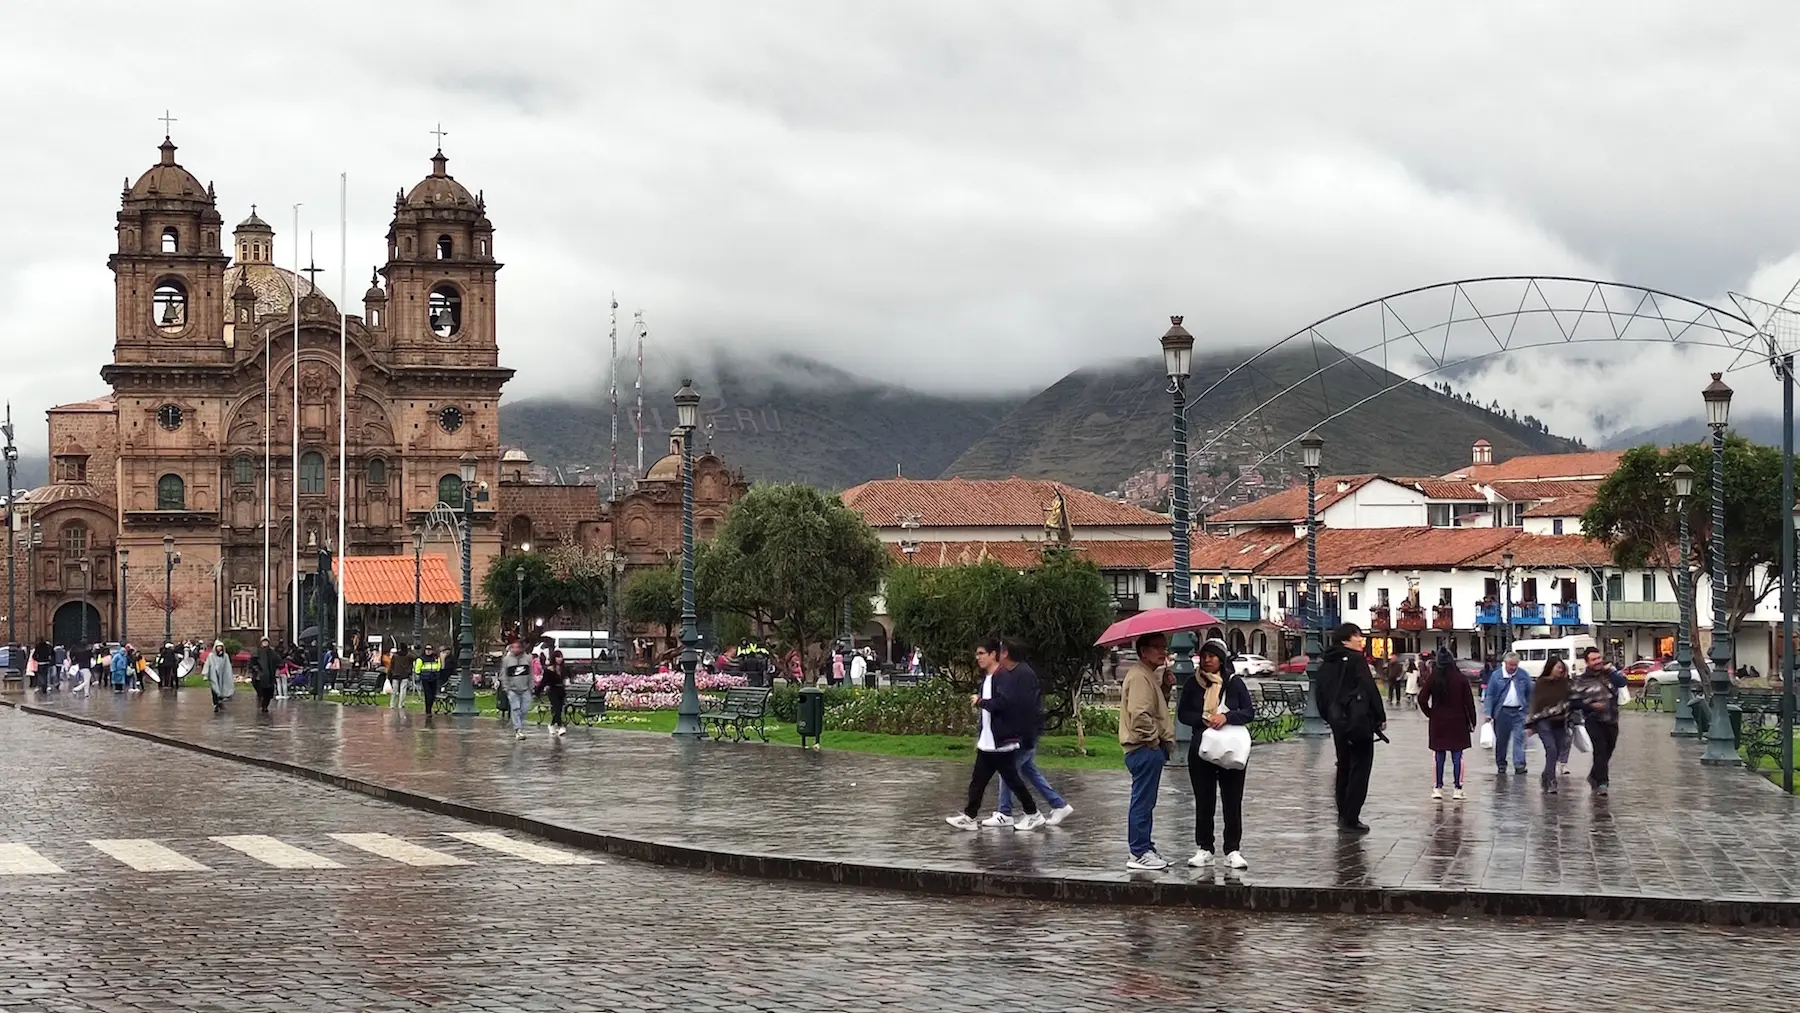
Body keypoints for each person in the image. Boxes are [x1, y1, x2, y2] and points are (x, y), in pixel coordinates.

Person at [944, 636, 1044, 832]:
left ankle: (1033, 814)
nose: (978, 658)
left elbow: (1007, 703)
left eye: (981, 653)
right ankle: (970, 817)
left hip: (1002, 742)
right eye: (977, 654)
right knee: (978, 781)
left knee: (1012, 781)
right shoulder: (989, 678)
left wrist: (981, 702)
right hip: (989, 742)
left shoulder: (1003, 677)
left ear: (992, 655)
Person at [1176, 638, 1253, 869]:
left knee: (1232, 800)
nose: (1208, 660)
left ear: (1222, 658)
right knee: (1204, 800)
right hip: (1202, 748)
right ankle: (1204, 847)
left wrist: (1226, 717)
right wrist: (1202, 718)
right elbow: (1183, 714)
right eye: (1204, 656)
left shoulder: (1234, 683)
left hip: (1230, 750)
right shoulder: (1193, 684)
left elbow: (1248, 712)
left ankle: (1232, 849)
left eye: (1213, 655)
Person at [985, 637, 1075, 828]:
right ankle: (1059, 805)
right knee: (1028, 770)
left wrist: (1021, 735)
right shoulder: (1013, 673)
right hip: (1021, 732)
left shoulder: (1023, 674)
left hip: (1024, 733)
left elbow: (1025, 707)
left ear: (1005, 653)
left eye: (997, 651)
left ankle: (1006, 812)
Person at [1317, 622, 1385, 834]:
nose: (1360, 640)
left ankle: (1342, 814)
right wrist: (1380, 716)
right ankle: (1351, 817)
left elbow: (1320, 695)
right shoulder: (1355, 660)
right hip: (1358, 723)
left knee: (1344, 767)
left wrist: (1330, 716)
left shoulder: (1326, 663)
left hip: (1338, 724)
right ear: (1346, 639)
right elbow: (1369, 688)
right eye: (1357, 636)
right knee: (1360, 769)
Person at [1119, 632, 1176, 870]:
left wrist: (1164, 688)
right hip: (1143, 749)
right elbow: (1140, 715)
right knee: (1142, 801)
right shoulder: (1140, 676)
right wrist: (1154, 741)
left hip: (1146, 748)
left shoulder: (1148, 676)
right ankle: (1139, 851)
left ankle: (1145, 846)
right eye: (1157, 647)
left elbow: (1152, 707)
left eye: (1164, 647)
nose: (1163, 652)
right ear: (1143, 651)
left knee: (1146, 801)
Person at [1418, 643, 1477, 801]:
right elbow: (1469, 702)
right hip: (1458, 721)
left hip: (1438, 721)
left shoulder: (1433, 679)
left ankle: (1438, 787)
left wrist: (1430, 713)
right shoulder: (1461, 679)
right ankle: (1458, 788)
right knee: (1458, 756)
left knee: (1438, 755)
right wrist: (1472, 721)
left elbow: (1421, 699)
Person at [1573, 646, 1626, 795]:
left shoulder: (1609, 675)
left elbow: (1622, 682)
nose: (1597, 662)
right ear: (1587, 662)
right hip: (1593, 720)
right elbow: (1573, 702)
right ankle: (1603, 783)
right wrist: (1590, 705)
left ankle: (1594, 775)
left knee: (1609, 749)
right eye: (1593, 659)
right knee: (1600, 750)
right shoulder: (1581, 680)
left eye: (1599, 658)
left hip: (1612, 719)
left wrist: (1611, 671)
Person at [1526, 655, 1576, 793]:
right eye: (1558, 667)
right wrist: (1530, 724)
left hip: (1560, 721)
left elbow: (1574, 700)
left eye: (1562, 667)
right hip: (1543, 721)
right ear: (1551, 667)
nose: (1561, 670)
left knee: (1557, 751)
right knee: (1551, 749)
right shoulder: (1541, 683)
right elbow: (1535, 703)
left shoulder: (1567, 683)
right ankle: (1551, 780)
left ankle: (1546, 774)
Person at [1482, 651, 1532, 776]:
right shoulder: (1496, 675)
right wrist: (1488, 713)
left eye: (1515, 665)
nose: (1513, 668)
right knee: (1502, 740)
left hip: (1519, 712)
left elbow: (1530, 693)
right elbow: (1490, 695)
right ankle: (1501, 764)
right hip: (1502, 712)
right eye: (1511, 665)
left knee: (1519, 739)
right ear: (1505, 663)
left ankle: (1519, 764)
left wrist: (1530, 711)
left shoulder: (1523, 675)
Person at [500, 639, 533, 740]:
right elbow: (503, 675)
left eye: (518, 647)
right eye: (513, 647)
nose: (515, 649)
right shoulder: (507, 660)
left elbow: (531, 674)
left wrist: (531, 687)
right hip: (512, 690)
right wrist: (507, 689)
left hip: (525, 689)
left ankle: (519, 725)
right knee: (515, 709)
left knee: (524, 709)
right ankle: (518, 730)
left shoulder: (528, 659)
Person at [542, 649, 571, 737]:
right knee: (557, 707)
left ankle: (552, 725)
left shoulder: (564, 668)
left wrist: (567, 680)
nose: (559, 659)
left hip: (561, 690)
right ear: (554, 658)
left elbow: (568, 676)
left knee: (559, 708)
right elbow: (545, 681)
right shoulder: (549, 669)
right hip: (552, 690)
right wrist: (541, 689)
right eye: (558, 657)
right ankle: (560, 726)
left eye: (561, 657)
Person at [249, 636, 281, 713]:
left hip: (270, 676)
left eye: (266, 642)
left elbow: (278, 661)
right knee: (262, 692)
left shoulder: (272, 652)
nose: (265, 643)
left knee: (269, 693)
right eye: (263, 642)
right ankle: (263, 705)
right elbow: (252, 663)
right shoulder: (257, 652)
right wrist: (257, 670)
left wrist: (277, 669)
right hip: (260, 676)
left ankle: (265, 705)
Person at [204, 639, 234, 711]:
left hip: (222, 675)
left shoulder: (225, 656)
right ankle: (215, 704)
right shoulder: (211, 656)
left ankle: (220, 702)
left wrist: (228, 674)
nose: (219, 648)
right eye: (218, 647)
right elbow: (208, 664)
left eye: (221, 647)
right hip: (214, 675)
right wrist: (206, 674)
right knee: (214, 689)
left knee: (221, 689)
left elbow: (227, 666)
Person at [387, 642, 413, 710]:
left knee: (394, 691)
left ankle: (392, 704)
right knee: (403, 690)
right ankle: (401, 704)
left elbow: (391, 666)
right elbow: (415, 657)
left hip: (395, 674)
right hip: (405, 675)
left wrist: (390, 673)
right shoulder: (408, 655)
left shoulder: (395, 656)